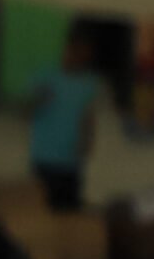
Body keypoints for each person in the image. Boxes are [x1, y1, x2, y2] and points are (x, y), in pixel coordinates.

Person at [28, 27, 104, 211]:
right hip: (43, 158)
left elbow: (89, 116)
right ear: (68, 49)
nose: (81, 57)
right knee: (44, 212)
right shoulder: (45, 76)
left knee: (70, 212)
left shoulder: (91, 83)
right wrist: (39, 100)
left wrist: (88, 142)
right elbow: (24, 112)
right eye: (78, 51)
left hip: (72, 161)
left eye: (86, 53)